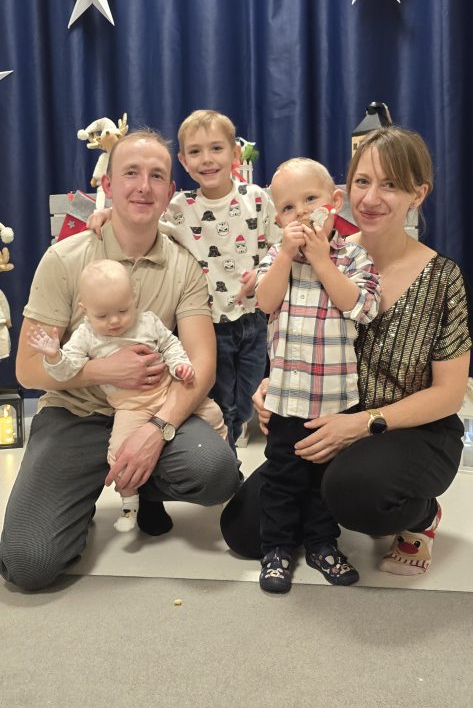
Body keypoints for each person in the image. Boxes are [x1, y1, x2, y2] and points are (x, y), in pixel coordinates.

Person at [221, 127, 472, 581]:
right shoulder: (314, 256)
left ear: (418, 194)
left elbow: (449, 395)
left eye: (390, 184)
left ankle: (420, 516)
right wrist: (270, 385)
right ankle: (319, 516)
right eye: (362, 182)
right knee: (244, 531)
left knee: (354, 491)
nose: (371, 198)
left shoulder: (442, 278)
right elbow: (290, 328)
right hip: (322, 414)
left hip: (409, 428)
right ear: (346, 190)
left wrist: (362, 424)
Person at [0, 129, 239, 590]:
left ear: (170, 192)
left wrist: (157, 429)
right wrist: (102, 370)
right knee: (29, 565)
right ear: (107, 184)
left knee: (216, 472)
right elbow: (27, 368)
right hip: (74, 414)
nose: (143, 187)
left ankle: (143, 484)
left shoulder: (184, 264)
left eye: (157, 176)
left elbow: (202, 365)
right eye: (131, 173)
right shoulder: (64, 259)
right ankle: (78, 500)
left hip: (149, 408)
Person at [91, 110, 280, 453]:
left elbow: (278, 247)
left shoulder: (256, 198)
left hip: (253, 320)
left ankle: (233, 438)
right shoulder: (180, 207)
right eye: (195, 152)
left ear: (235, 153)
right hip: (210, 324)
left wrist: (264, 272)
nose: (206, 159)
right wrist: (108, 212)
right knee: (222, 403)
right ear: (183, 161)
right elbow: (140, 217)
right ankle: (228, 462)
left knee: (246, 399)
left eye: (216, 149)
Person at [27, 259, 226, 533]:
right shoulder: (86, 335)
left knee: (214, 413)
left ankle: (230, 460)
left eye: (123, 310)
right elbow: (67, 370)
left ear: (133, 298)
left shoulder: (147, 321)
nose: (114, 321)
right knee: (119, 454)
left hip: (168, 391)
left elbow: (170, 343)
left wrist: (180, 365)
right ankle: (130, 503)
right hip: (131, 406)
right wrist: (54, 356)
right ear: (85, 310)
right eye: (102, 316)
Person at [255, 158, 381, 593]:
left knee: (324, 481)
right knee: (282, 477)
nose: (302, 213)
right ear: (278, 220)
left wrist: (323, 261)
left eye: (311, 200)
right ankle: (276, 548)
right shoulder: (277, 258)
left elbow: (362, 308)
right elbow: (265, 302)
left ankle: (322, 544)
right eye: (289, 208)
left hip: (335, 401)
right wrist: (285, 256)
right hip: (287, 399)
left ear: (335, 202)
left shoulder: (354, 257)